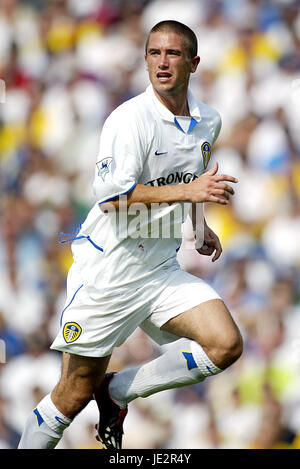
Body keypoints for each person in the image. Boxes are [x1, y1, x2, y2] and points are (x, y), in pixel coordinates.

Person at [18, 20, 243, 450]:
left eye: (173, 54)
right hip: (109, 271)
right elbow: (111, 200)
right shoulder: (129, 120)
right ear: (145, 60)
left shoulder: (207, 121)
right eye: (154, 53)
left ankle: (118, 390)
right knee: (72, 395)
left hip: (159, 267)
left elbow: (192, 176)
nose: (162, 62)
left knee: (226, 344)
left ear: (194, 62)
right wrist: (189, 192)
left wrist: (198, 226)